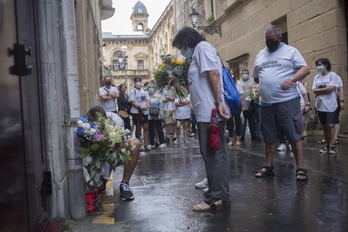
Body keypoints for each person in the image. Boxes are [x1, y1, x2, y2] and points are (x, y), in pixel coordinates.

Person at [172, 26, 230, 211]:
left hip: (209, 111)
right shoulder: (200, 52)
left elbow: (214, 73)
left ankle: (213, 198)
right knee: (217, 153)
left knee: (212, 153)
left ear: (187, 41)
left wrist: (218, 102)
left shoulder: (203, 48)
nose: (182, 51)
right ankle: (222, 194)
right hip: (206, 110)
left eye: (181, 46)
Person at [253, 25, 310, 181]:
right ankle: (268, 166)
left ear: (280, 38)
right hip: (266, 104)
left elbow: (305, 69)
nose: (269, 43)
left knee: (294, 135)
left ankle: (301, 168)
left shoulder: (291, 51)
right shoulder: (260, 54)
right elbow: (257, 77)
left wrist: (291, 79)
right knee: (269, 137)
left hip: (287, 102)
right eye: (267, 40)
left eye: (272, 40)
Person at [87, 106, 140, 201]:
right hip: (99, 156)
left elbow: (119, 142)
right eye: (95, 122)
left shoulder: (115, 120)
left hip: (116, 150)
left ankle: (125, 183)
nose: (97, 124)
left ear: (105, 118)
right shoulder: (87, 125)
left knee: (134, 143)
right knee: (100, 185)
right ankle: (99, 182)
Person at [312, 58, 342, 154]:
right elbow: (314, 90)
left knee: (330, 125)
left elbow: (332, 88)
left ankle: (332, 145)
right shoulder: (316, 77)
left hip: (330, 104)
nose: (318, 67)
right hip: (320, 104)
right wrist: (325, 89)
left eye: (320, 65)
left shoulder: (333, 75)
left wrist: (320, 90)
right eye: (317, 65)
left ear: (326, 65)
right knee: (324, 126)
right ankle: (327, 145)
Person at [129, 77, 151, 151]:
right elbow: (132, 101)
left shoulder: (144, 90)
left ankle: (146, 144)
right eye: (136, 81)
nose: (138, 82)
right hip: (136, 112)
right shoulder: (133, 91)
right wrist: (140, 107)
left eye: (139, 81)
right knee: (138, 128)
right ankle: (139, 145)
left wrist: (147, 106)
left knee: (146, 127)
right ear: (134, 82)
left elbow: (147, 99)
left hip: (144, 112)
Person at [226, 68, 244, 146]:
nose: (231, 75)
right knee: (230, 123)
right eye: (230, 73)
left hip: (237, 105)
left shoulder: (238, 84)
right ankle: (231, 139)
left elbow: (241, 95)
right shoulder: (226, 83)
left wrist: (242, 105)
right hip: (229, 105)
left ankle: (238, 139)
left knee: (237, 122)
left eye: (232, 73)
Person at [148, 83, 166, 148]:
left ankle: (162, 142)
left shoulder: (158, 96)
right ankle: (151, 142)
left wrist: (160, 114)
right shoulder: (146, 95)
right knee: (151, 129)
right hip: (149, 115)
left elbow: (161, 105)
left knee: (159, 128)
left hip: (157, 114)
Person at [240, 69, 257, 141]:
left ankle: (253, 135)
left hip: (251, 105)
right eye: (243, 73)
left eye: (246, 73)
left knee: (252, 121)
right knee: (243, 121)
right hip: (242, 105)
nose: (245, 74)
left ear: (248, 74)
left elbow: (256, 90)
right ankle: (241, 135)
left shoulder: (252, 81)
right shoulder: (238, 82)